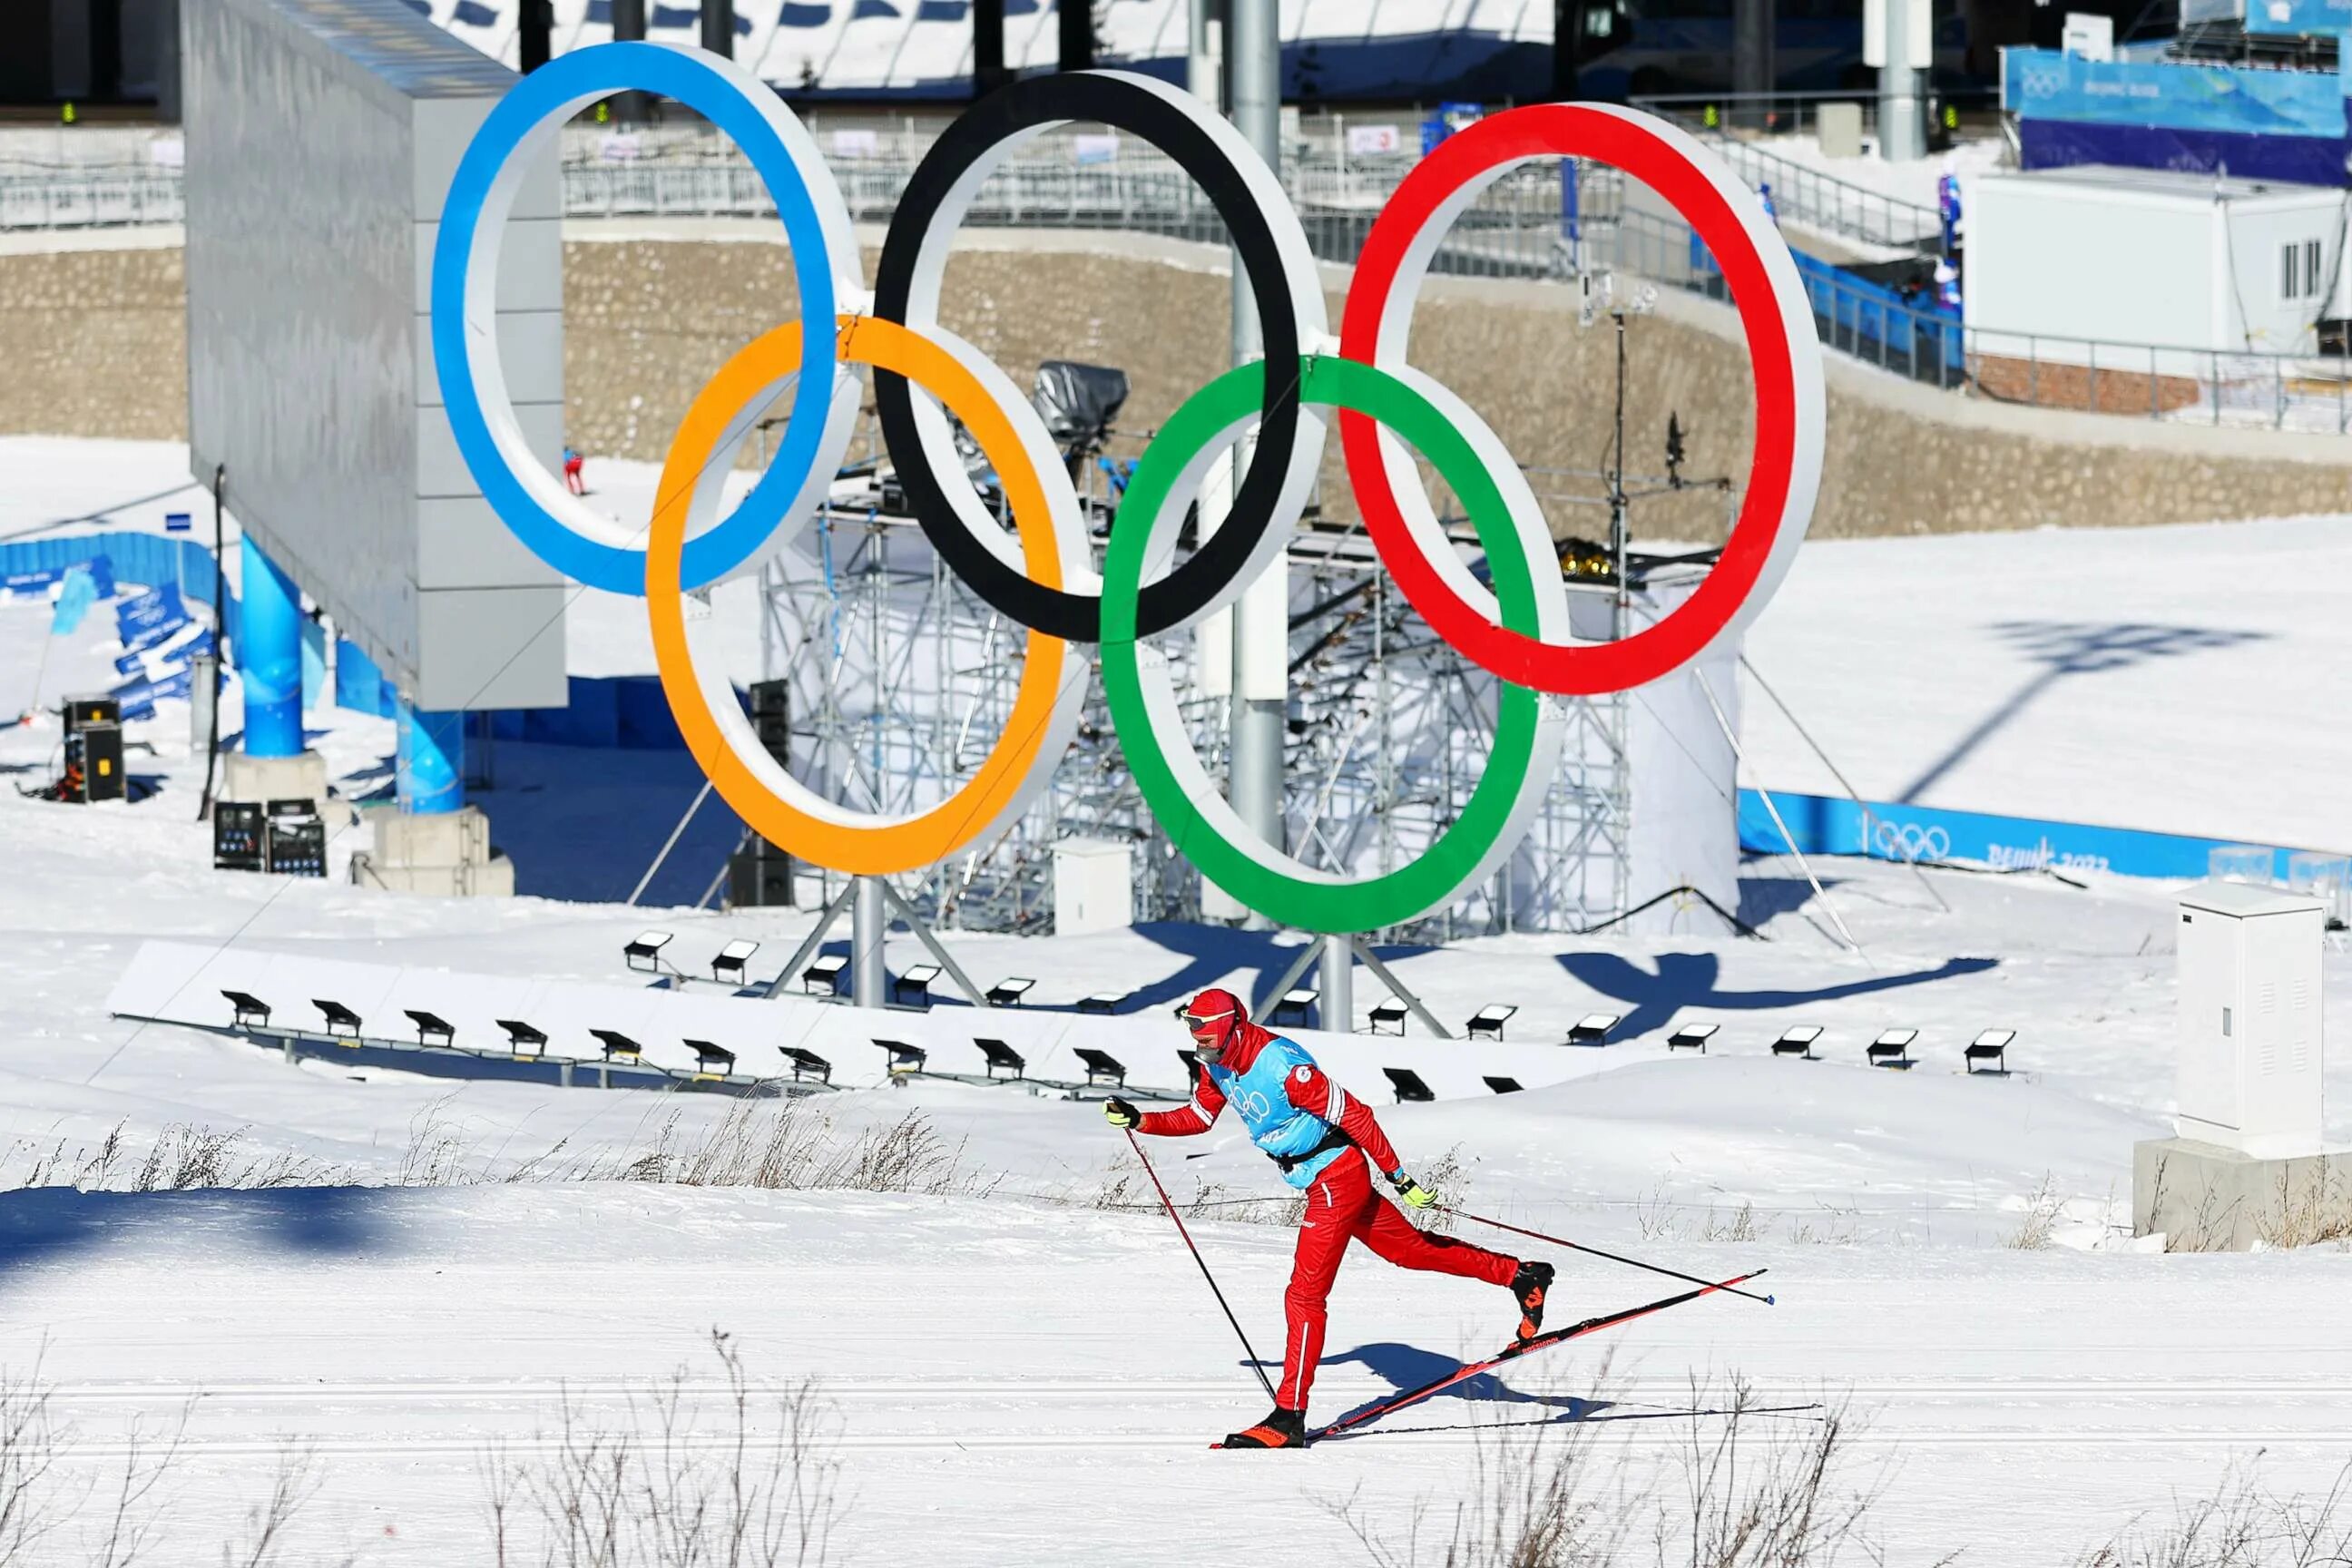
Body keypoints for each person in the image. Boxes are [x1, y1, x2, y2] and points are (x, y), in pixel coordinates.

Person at [1105, 987, 1553, 1449]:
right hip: (1323, 1178)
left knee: (1303, 1296)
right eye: (1190, 1026)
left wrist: (1399, 1178)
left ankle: (1288, 1416)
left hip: (1335, 1178)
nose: (1195, 1035)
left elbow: (1356, 1115)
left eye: (1201, 1026)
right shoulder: (1214, 1063)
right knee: (1410, 1251)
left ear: (1228, 1025)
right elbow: (1199, 1118)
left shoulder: (1284, 1066)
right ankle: (1521, 1276)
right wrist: (1141, 1119)